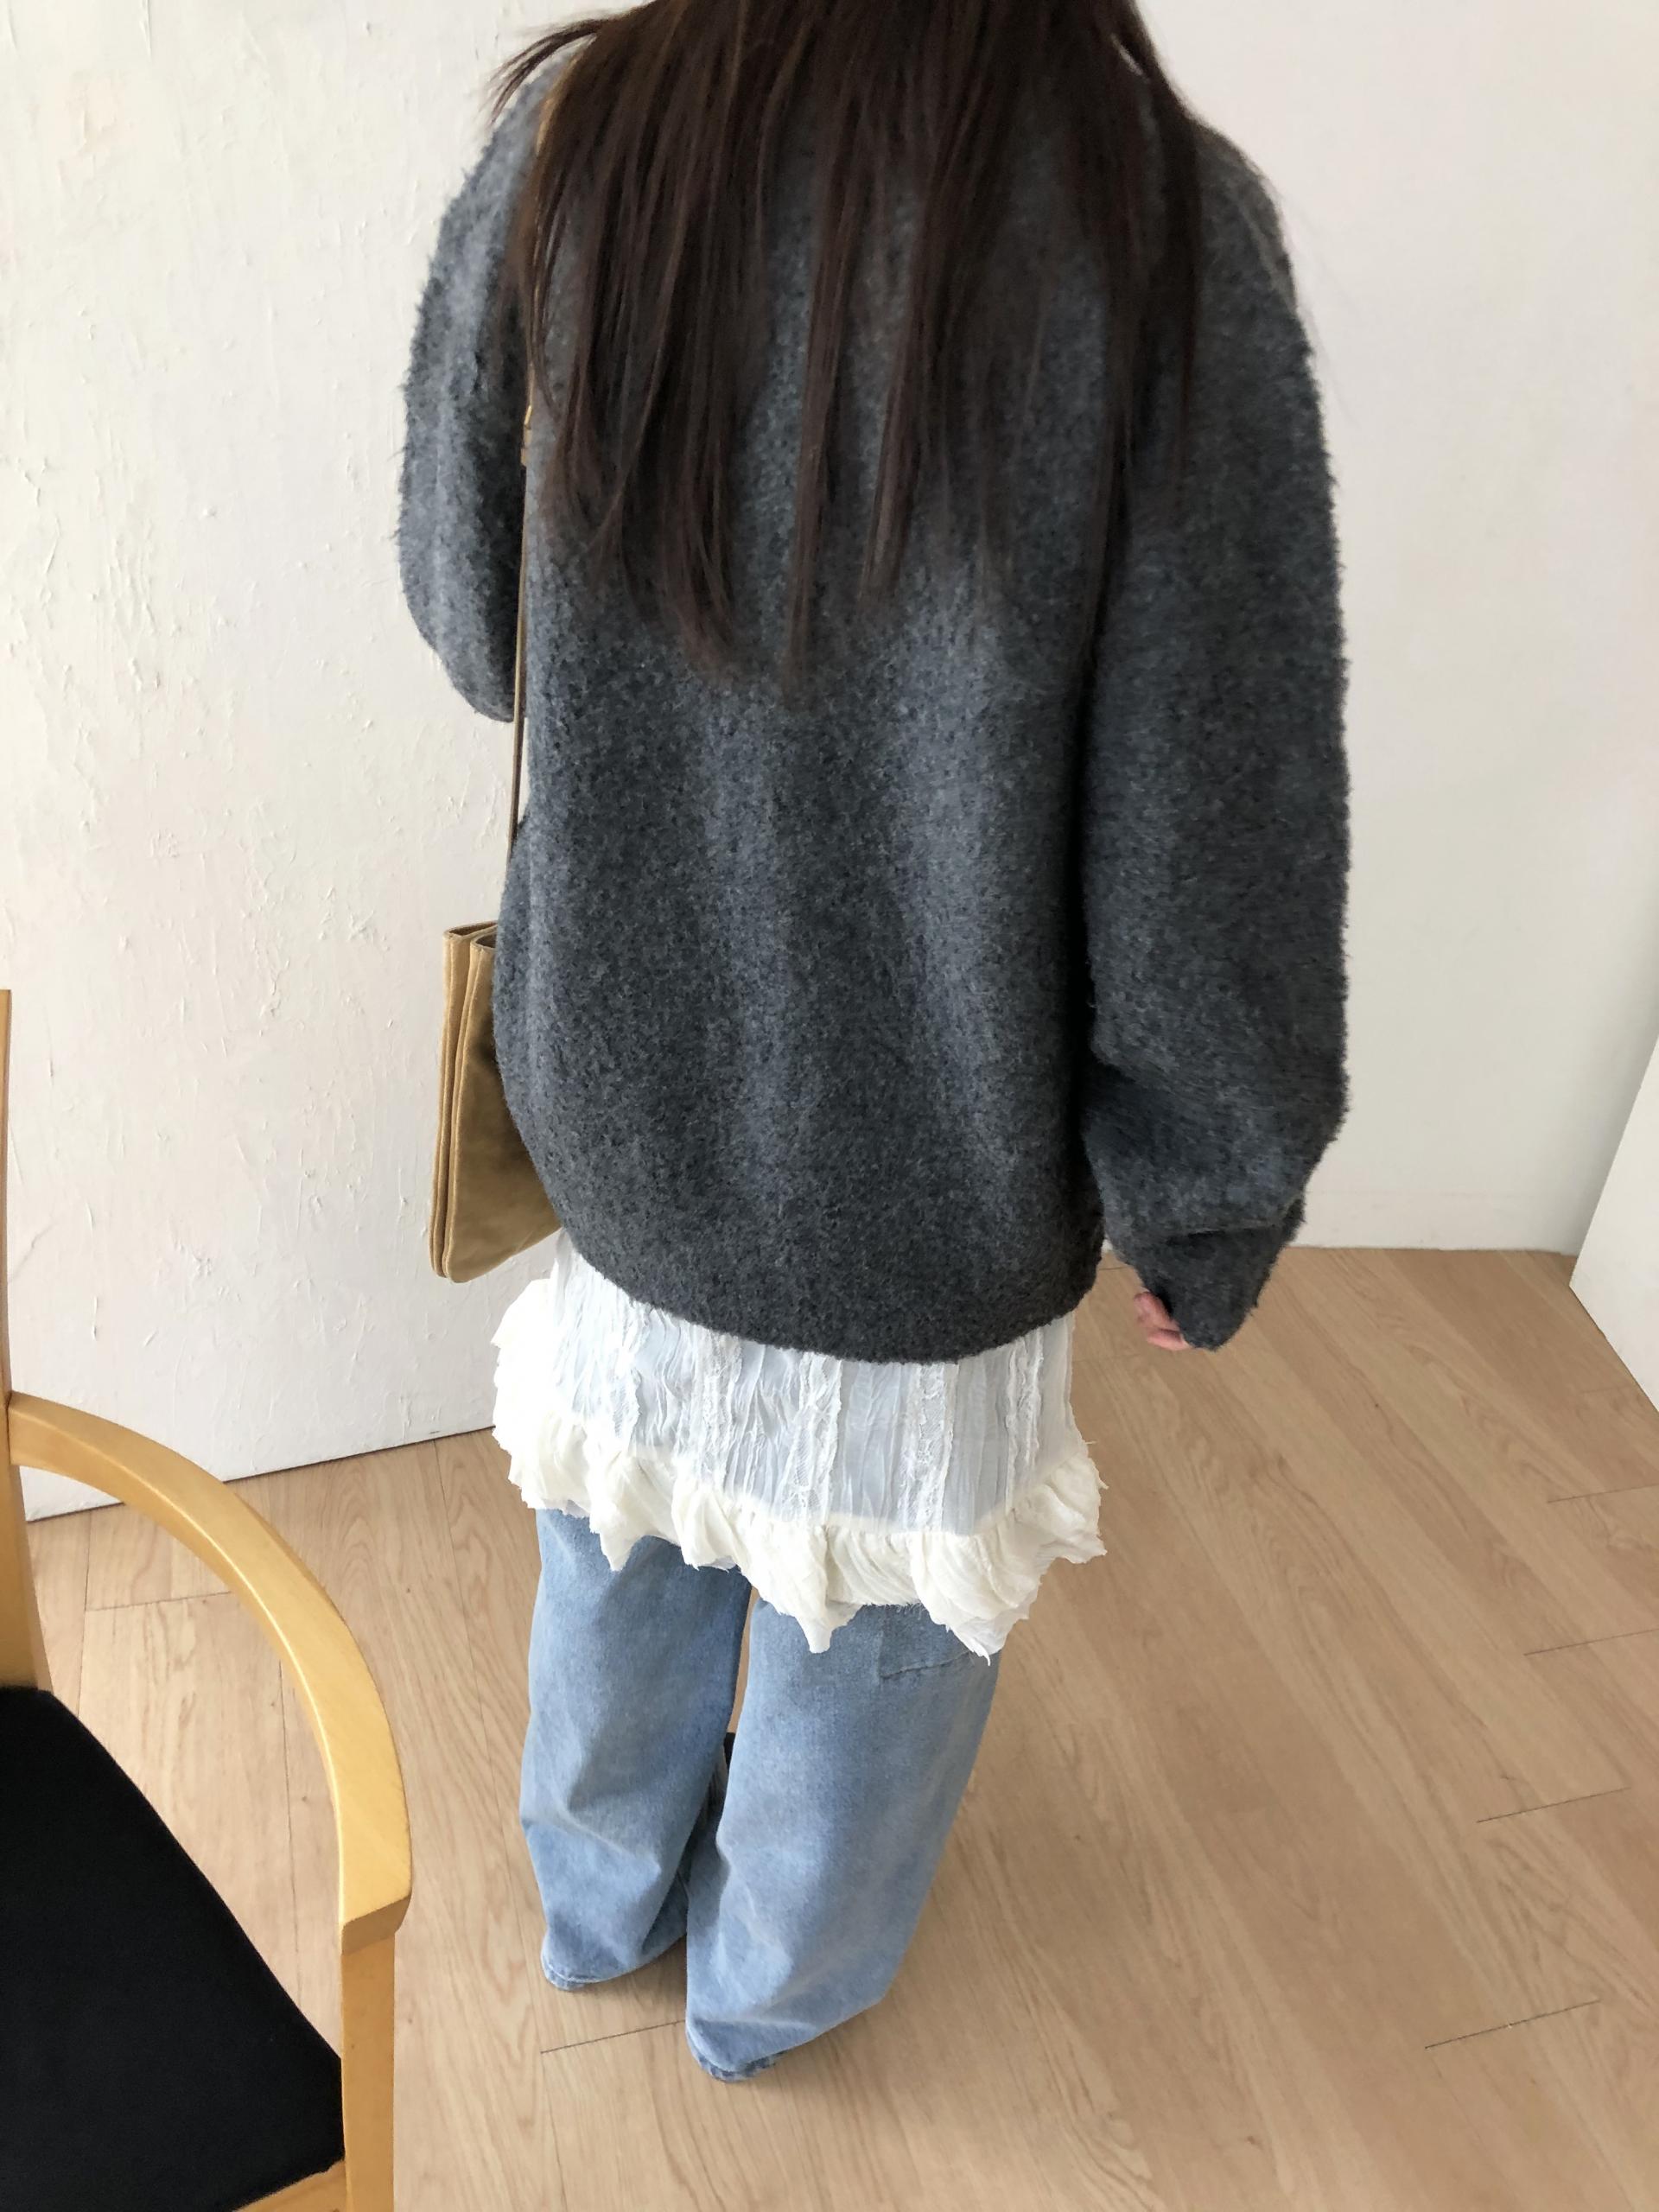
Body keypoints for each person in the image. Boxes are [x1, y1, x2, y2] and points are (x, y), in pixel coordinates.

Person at [398, 0, 1346, 2084]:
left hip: (627, 1087)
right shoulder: (1153, 220)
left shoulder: (583, 135)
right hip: (948, 1145)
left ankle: (594, 1909)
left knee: (620, 1535)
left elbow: (473, 618)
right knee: (881, 1632)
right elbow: (1219, 796)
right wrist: (1208, 1183)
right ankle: (767, 2000)